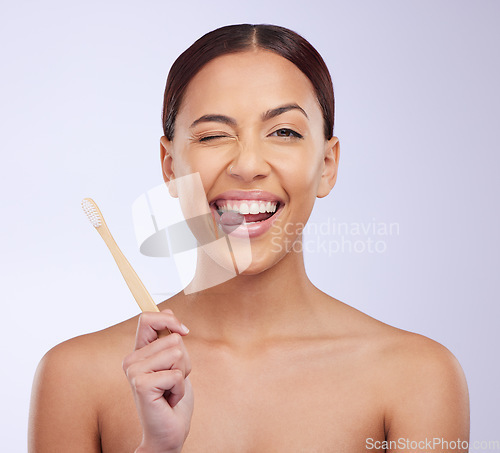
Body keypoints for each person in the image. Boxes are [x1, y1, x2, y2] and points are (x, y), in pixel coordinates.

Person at [28, 24, 470, 452]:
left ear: (328, 165)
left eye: (284, 132)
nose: (248, 164)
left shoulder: (418, 377)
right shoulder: (75, 379)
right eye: (214, 135)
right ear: (169, 166)